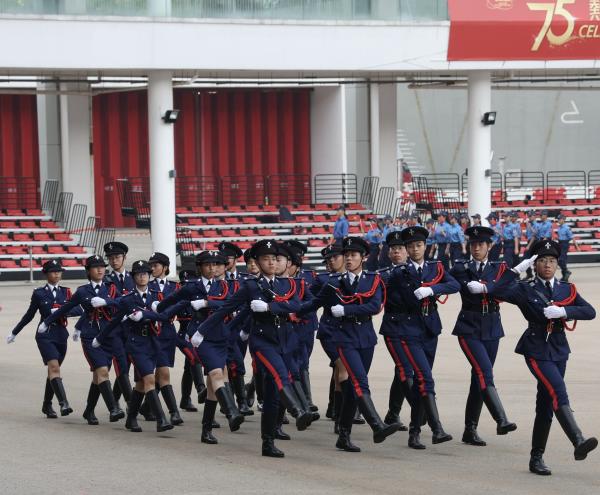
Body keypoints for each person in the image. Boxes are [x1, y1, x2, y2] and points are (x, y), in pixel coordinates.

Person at [193, 240, 312, 458]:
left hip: (284, 340)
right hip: (262, 341)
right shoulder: (250, 286)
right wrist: (202, 331)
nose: (271, 263)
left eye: (274, 259)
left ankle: (268, 443)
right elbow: (227, 308)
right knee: (278, 373)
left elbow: (297, 305)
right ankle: (298, 410)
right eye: (266, 259)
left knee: (273, 396)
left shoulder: (287, 284)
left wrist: (270, 307)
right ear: (257, 261)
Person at [488, 241, 597, 475]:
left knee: (546, 404)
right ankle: (578, 439)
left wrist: (566, 311)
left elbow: (590, 312)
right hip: (536, 348)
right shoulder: (524, 288)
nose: (547, 265)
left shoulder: (567, 289)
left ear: (557, 264)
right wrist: (515, 270)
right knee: (558, 391)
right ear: (534, 264)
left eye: (552, 261)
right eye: (542, 261)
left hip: (559, 348)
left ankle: (536, 458)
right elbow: (496, 292)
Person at [310, 236, 401, 452]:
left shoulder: (373, 280)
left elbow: (374, 306)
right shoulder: (334, 282)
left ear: (364, 258)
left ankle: (343, 434)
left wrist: (348, 310)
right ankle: (377, 425)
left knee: (352, 387)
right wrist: (286, 309)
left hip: (365, 337)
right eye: (347, 255)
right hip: (343, 338)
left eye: (353, 255)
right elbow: (313, 303)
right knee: (360, 381)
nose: (349, 259)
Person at [157, 251, 245, 444]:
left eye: (215, 264)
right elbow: (175, 299)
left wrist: (206, 302)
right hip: (201, 336)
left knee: (214, 387)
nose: (212, 268)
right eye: (208, 264)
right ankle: (231, 411)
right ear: (200, 267)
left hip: (220, 335)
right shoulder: (192, 286)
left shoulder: (223, 285)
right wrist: (159, 307)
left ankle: (206, 430)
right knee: (215, 375)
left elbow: (228, 303)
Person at [385, 226, 460, 450]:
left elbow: (454, 285)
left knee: (420, 382)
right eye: (410, 246)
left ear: (425, 247)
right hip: (409, 330)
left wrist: (432, 289)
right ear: (406, 249)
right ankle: (437, 429)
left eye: (418, 245)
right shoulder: (399, 272)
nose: (415, 249)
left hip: (430, 328)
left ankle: (415, 431)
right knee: (425, 378)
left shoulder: (435, 267)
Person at [449, 226, 517, 447]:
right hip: (469, 326)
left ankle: (470, 429)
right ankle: (501, 419)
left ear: (490, 246)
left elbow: (509, 290)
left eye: (481, 244)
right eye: (473, 244)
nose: (476, 248)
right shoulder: (461, 267)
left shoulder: (499, 269)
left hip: (492, 326)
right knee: (484, 372)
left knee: (478, 378)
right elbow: (448, 283)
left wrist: (488, 288)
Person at [40, 255, 124, 425]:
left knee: (98, 376)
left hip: (109, 335)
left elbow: (123, 301)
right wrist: (46, 322)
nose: (100, 270)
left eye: (102, 266)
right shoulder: (82, 291)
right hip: (91, 336)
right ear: (88, 271)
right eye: (95, 267)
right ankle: (113, 408)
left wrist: (106, 301)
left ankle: (89, 410)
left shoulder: (112, 287)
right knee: (102, 372)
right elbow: (66, 308)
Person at [93, 260, 174, 433]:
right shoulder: (127, 299)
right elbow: (115, 320)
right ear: (134, 277)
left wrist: (149, 313)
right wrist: (100, 337)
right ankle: (162, 419)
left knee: (140, 384)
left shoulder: (156, 296)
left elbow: (166, 317)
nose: (142, 276)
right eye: (138, 274)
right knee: (149, 379)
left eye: (145, 273)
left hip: (154, 342)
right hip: (136, 344)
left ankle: (131, 419)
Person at [6, 260, 81, 418]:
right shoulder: (39, 293)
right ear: (46, 274)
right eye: (53, 271)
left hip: (61, 334)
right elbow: (29, 315)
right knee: (54, 368)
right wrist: (15, 332)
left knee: (53, 371)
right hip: (45, 334)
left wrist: (61, 311)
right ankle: (64, 403)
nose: (57, 274)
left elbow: (78, 309)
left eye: (59, 271)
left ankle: (47, 404)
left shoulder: (66, 292)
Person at [146, 252, 183, 426]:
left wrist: (163, 311)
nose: (152, 268)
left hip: (167, 332)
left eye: (156, 265)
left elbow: (179, 305)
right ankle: (172, 411)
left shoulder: (174, 288)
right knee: (156, 375)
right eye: (151, 265)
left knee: (161, 373)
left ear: (165, 267)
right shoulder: (145, 285)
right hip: (151, 331)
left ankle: (147, 407)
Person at [378, 231, 410, 431]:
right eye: (393, 249)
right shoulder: (383, 274)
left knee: (403, 371)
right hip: (394, 325)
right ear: (388, 254)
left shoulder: (418, 271)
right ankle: (421, 410)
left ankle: (393, 413)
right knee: (404, 368)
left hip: (415, 326)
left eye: (400, 249)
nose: (397, 252)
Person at [219, 241, 253, 416]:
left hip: (240, 328)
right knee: (230, 364)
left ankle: (234, 401)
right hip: (223, 327)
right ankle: (237, 402)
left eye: (228, 258)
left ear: (235, 260)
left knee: (235, 364)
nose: (224, 261)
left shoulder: (244, 280)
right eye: (222, 257)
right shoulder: (218, 280)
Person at [103, 242, 135, 411]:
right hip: (114, 328)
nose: (114, 261)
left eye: (117, 257)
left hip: (132, 328)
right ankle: (131, 404)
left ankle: (113, 403)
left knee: (127, 364)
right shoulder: (106, 280)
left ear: (124, 258)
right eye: (110, 258)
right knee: (120, 365)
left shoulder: (134, 277)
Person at [176, 269, 207, 412]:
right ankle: (201, 388)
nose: (186, 288)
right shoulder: (178, 298)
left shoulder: (201, 297)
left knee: (189, 368)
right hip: (183, 336)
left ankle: (185, 399)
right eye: (183, 284)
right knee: (194, 359)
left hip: (197, 336)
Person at [556, 214, 578, 282]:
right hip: (560, 243)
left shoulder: (567, 228)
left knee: (561, 260)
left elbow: (572, 237)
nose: (559, 220)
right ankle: (564, 276)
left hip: (565, 244)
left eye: (560, 219)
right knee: (559, 260)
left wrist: (576, 246)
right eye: (558, 219)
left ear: (563, 219)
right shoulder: (559, 228)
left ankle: (566, 272)